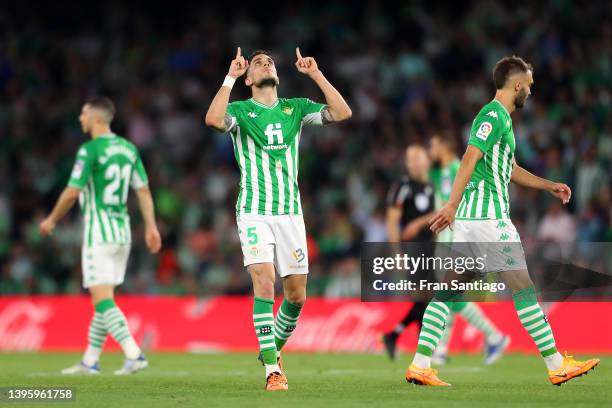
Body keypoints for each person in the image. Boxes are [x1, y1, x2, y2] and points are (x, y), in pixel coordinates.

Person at [405, 56, 599, 386]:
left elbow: (508, 168)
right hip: (488, 219)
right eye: (530, 86)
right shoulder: (492, 115)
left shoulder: (504, 122)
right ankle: (555, 364)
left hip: (471, 220)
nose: (531, 92)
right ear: (517, 84)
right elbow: (469, 155)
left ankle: (420, 364)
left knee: (449, 291)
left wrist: (548, 184)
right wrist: (451, 203)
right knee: (523, 287)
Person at [205, 47, 351, 391]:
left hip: (290, 213)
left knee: (297, 295)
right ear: (249, 79)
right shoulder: (239, 111)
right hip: (254, 211)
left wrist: (315, 74)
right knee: (264, 282)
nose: (264, 62)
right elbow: (213, 119)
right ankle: (272, 370)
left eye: (269, 60)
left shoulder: (296, 108)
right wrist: (229, 76)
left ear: (277, 75)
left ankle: (271, 350)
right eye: (257, 63)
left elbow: (343, 112)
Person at [40, 97, 162, 375]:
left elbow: (72, 192)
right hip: (123, 234)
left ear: (96, 118)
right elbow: (142, 190)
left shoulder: (90, 150)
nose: (80, 117)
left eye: (83, 112)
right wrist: (151, 226)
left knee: (102, 299)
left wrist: (51, 219)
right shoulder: (129, 149)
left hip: (99, 234)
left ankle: (134, 353)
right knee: (103, 298)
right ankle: (90, 360)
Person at [428, 133, 510, 366]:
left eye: (433, 145)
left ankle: (494, 335)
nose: (429, 149)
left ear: (444, 145)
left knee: (448, 291)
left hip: (457, 237)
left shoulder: (459, 167)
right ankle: (442, 348)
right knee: (450, 293)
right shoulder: (437, 173)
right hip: (445, 238)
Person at [381, 144, 435, 360]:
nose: (413, 163)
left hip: (431, 248)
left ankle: (395, 335)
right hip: (413, 249)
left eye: (417, 158)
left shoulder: (431, 185)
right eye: (409, 159)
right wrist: (397, 253)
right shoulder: (402, 186)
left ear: (426, 161)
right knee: (426, 298)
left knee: (425, 299)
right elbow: (392, 220)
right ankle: (422, 353)